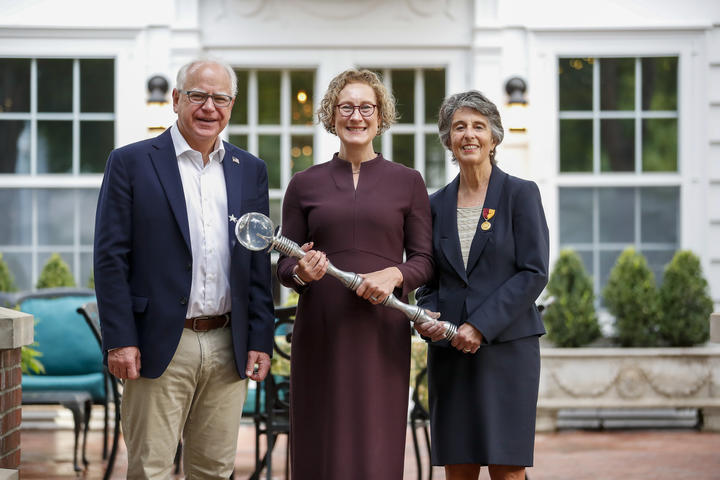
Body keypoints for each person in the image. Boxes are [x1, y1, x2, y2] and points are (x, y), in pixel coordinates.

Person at [93, 58, 275, 479]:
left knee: (214, 469)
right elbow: (110, 258)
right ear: (176, 100)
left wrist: (260, 339)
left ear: (232, 106)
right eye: (198, 95)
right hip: (157, 343)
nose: (209, 107)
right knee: (150, 468)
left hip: (228, 342)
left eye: (220, 98)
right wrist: (120, 339)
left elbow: (255, 263)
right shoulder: (131, 163)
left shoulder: (250, 171)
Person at [276, 68, 434, 479]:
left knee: (376, 444)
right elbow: (284, 267)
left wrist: (394, 276)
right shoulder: (303, 184)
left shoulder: (409, 182)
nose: (356, 116)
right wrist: (303, 275)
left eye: (367, 107)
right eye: (346, 107)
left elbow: (424, 260)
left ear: (380, 117)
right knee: (320, 440)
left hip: (381, 331)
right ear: (332, 115)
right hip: (321, 333)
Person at [415, 90, 549, 480]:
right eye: (459, 127)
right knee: (459, 468)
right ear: (448, 140)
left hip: (507, 349)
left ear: (494, 137)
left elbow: (533, 272)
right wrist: (428, 314)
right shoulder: (434, 204)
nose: (469, 134)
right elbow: (428, 274)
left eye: (478, 126)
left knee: (507, 468)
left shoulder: (520, 194)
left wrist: (480, 325)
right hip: (451, 350)